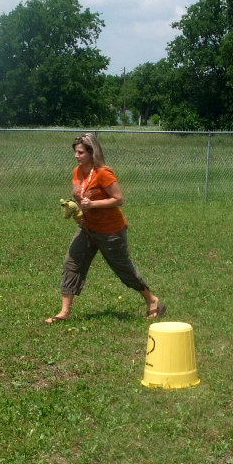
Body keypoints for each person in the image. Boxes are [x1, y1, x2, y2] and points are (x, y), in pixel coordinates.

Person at [45, 132, 166, 324]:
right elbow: (81, 197)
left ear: (92, 153)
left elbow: (118, 199)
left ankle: (152, 300)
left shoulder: (104, 173)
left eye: (81, 152)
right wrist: (77, 211)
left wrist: (92, 205)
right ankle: (65, 311)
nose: (76, 156)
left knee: (122, 268)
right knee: (72, 263)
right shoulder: (77, 172)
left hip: (111, 231)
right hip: (87, 227)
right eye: (75, 152)